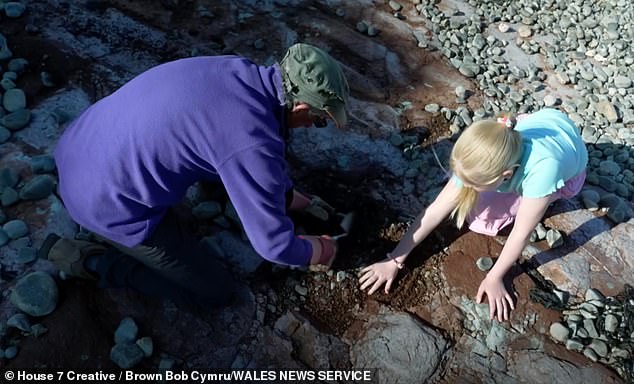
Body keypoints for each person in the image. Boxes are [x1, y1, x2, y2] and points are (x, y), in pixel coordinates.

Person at [42, 43, 350, 310]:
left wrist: (287, 197)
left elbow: (229, 144)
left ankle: (206, 198)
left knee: (203, 146)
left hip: (79, 144)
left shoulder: (237, 69)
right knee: (215, 293)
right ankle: (91, 262)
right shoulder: (251, 142)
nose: (312, 126)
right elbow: (274, 247)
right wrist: (318, 250)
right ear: (301, 105)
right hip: (103, 203)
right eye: (319, 119)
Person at [359, 108, 588, 321]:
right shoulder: (484, 150)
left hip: (568, 164)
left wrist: (494, 277)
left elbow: (520, 233)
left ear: (506, 175)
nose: (463, 184)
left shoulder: (543, 171)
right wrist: (396, 257)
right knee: (465, 197)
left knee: (482, 220)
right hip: (543, 123)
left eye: (474, 183)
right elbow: (436, 209)